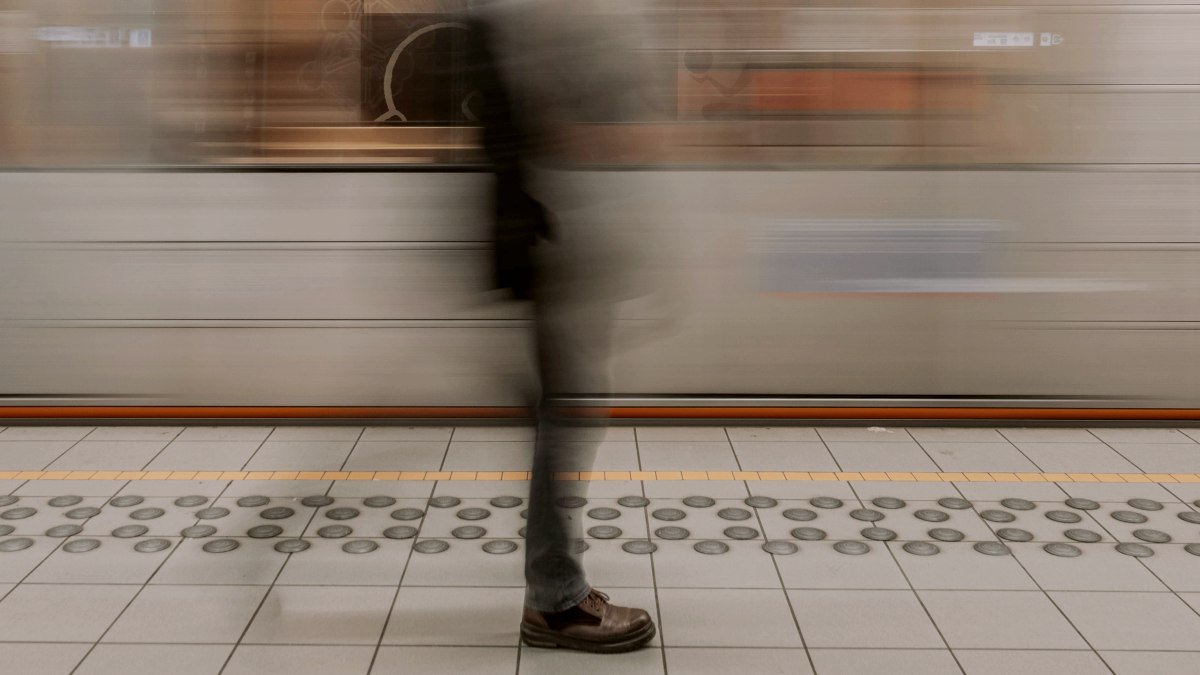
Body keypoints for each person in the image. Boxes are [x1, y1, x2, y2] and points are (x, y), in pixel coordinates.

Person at [462, 0, 657, 654]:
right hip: (543, 244)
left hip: (546, 238)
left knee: (563, 414)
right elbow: (526, 126)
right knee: (563, 416)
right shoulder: (512, 15)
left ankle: (558, 587)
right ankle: (555, 599)